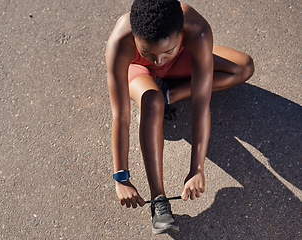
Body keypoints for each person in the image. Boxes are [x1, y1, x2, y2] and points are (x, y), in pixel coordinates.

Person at [105, 0, 254, 234]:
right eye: (148, 52)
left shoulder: (198, 30)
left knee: (244, 67)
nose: (158, 60)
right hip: (139, 71)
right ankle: (159, 201)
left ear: (181, 32)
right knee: (151, 102)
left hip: (180, 63)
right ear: (135, 36)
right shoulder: (120, 40)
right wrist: (121, 177)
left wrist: (197, 168)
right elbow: (121, 116)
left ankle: (170, 93)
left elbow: (201, 105)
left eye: (167, 50)